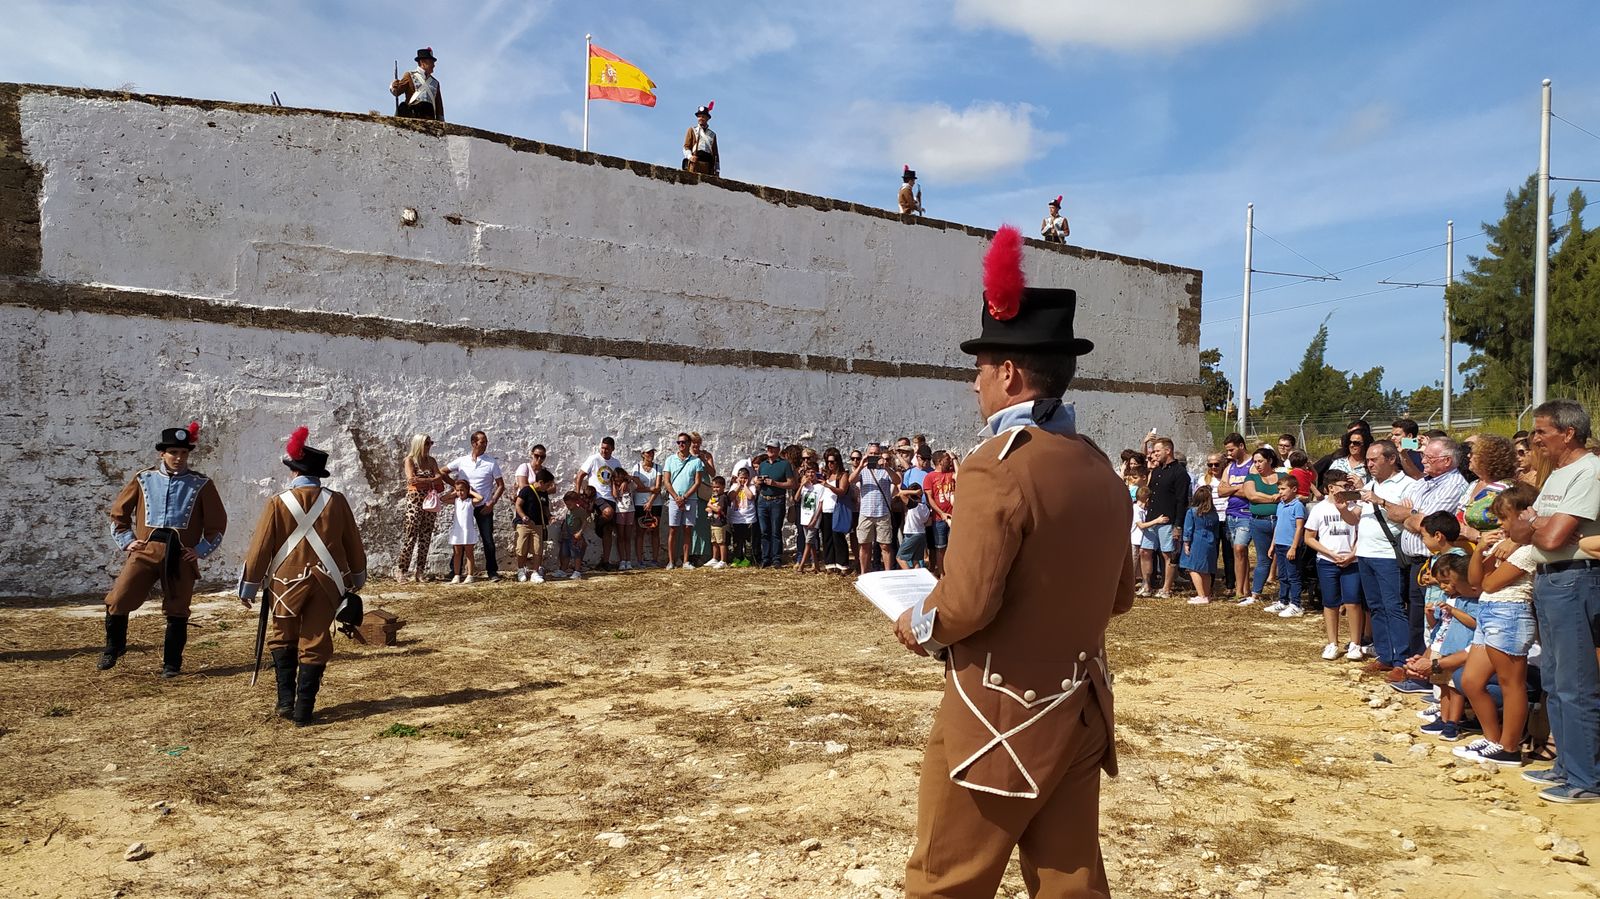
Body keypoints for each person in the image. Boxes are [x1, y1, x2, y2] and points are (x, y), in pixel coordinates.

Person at [895, 226, 1129, 898]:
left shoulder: (994, 469)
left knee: (947, 879)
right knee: (1070, 881)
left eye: (979, 369)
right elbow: (1120, 598)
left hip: (998, 712)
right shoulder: (1101, 470)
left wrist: (917, 622)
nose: (974, 386)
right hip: (1080, 706)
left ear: (1009, 373)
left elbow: (966, 604)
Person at [1504, 399, 1600, 803]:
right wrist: (1542, 525)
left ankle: (1585, 779)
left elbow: (1552, 537)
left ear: (1568, 433)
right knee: (1557, 682)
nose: (1535, 439)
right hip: (1549, 579)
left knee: (1576, 684)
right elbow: (1527, 533)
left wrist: (1540, 525)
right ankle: (1565, 768)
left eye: (1542, 431)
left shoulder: (1589, 472)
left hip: (1574, 581)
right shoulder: (1559, 475)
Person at [237, 427, 366, 726]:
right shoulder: (338, 502)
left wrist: (250, 586)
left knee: (283, 636)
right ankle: (303, 710)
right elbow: (353, 546)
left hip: (284, 584)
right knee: (316, 639)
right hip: (326, 582)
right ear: (319, 474)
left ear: (294, 471)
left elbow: (260, 548)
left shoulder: (277, 502)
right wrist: (356, 579)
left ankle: (285, 702)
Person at [99, 421, 228, 675]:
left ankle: (171, 664)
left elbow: (217, 525)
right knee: (118, 598)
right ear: (162, 454)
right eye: (173, 453)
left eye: (183, 453)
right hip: (146, 551)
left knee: (178, 609)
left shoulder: (201, 484)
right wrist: (128, 542)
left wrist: (199, 550)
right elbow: (119, 515)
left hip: (180, 555)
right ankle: (114, 647)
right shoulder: (143, 479)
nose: (178, 458)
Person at [1457, 483, 1542, 766]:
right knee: (1471, 680)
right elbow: (1474, 580)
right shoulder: (1506, 546)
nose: (1501, 525)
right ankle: (1493, 738)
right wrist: (1481, 548)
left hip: (1511, 613)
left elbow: (1490, 583)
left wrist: (1507, 547)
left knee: (1511, 683)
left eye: (1505, 518)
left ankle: (1509, 746)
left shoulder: (1528, 550)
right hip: (1490, 612)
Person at [1343, 440, 1418, 678]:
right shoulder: (1371, 483)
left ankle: (1401, 660)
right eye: (1367, 460)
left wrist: (1381, 501)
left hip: (1388, 555)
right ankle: (1385, 655)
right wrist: (1342, 507)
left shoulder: (1407, 484)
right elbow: (1355, 518)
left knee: (1394, 607)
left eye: (1374, 459)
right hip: (1366, 553)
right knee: (1375, 607)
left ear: (1391, 459)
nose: (1369, 464)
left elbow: (1410, 515)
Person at [1305, 471, 1364, 660]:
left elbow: (1362, 534)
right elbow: (1309, 538)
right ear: (1331, 488)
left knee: (1353, 602)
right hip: (1327, 562)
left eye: (1349, 486)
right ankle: (1332, 643)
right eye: (1343, 486)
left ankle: (1355, 643)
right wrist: (1329, 553)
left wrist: (1352, 554)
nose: (1347, 490)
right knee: (1330, 603)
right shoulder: (1319, 509)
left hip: (1352, 561)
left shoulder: (1355, 507)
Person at [442, 431, 504, 581]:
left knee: (487, 538)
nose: (485, 444)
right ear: (473, 443)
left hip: (483, 505)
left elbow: (500, 485)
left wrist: (492, 502)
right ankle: (455, 571)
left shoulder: (491, 462)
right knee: (461, 536)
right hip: (464, 505)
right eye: (482, 441)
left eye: (486, 441)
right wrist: (457, 487)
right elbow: (442, 471)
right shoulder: (462, 461)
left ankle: (492, 571)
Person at [1138, 437, 1187, 598]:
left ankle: (1166, 588)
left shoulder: (1179, 473)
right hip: (1152, 519)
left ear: (1168, 450)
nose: (1154, 454)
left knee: (1168, 554)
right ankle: (1147, 585)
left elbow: (1182, 501)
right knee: (1145, 552)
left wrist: (1178, 525)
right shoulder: (1157, 471)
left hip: (1168, 520)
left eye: (1157, 451)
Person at [398, 434, 444, 583]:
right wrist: (430, 481)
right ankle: (402, 570)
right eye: (426, 443)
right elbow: (412, 480)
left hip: (429, 500)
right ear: (419, 444)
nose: (429, 445)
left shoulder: (431, 461)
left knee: (426, 535)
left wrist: (425, 481)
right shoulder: (410, 460)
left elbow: (439, 477)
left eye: (430, 442)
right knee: (411, 534)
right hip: (415, 500)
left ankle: (420, 571)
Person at [576, 436, 625, 571]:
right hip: (597, 496)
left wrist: (624, 482)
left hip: (611, 497)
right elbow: (580, 475)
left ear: (613, 449)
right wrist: (578, 494)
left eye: (607, 449)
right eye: (602, 448)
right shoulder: (594, 459)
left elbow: (621, 476)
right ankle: (598, 526)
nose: (604, 451)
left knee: (608, 531)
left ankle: (605, 561)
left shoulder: (616, 462)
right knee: (608, 513)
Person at [1216, 433, 1256, 600]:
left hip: (1246, 513)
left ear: (1241, 446)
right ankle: (1245, 588)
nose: (1229, 454)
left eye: (1231, 450)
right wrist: (1238, 487)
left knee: (1240, 548)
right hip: (1231, 514)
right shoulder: (1229, 468)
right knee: (1239, 553)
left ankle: (1239, 590)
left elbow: (1250, 492)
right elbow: (1220, 491)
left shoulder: (1253, 465)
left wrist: (1231, 487)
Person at [1265, 478, 1307, 617]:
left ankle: (1296, 604)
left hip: (1291, 546)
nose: (1280, 492)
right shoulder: (1281, 505)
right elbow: (1278, 526)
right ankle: (1283, 601)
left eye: (1283, 489)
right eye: (1279, 489)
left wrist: (1294, 547)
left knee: (1293, 575)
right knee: (1282, 575)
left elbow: (1299, 527)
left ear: (1294, 489)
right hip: (1280, 545)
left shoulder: (1297, 506)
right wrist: (1273, 545)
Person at [852, 447, 897, 574]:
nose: (873, 456)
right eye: (871, 453)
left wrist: (887, 467)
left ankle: (888, 574)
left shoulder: (886, 470)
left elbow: (897, 481)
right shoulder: (863, 470)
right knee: (865, 545)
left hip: (882, 512)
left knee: (885, 545)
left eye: (876, 454)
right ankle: (864, 573)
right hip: (866, 512)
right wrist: (861, 465)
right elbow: (851, 480)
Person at [663, 432, 705, 570]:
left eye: (683, 442)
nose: (681, 445)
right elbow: (667, 481)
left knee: (688, 529)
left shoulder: (696, 461)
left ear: (689, 444)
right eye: (678, 442)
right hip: (674, 499)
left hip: (690, 499)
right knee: (673, 530)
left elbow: (697, 482)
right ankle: (671, 561)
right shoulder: (670, 460)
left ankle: (686, 560)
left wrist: (685, 497)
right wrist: (676, 497)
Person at [756, 439, 796, 568]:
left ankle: (776, 558)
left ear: (778, 450)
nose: (769, 450)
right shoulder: (763, 465)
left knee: (775, 531)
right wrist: (758, 483)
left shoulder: (784, 465)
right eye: (768, 448)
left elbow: (791, 483)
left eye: (772, 448)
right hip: (763, 499)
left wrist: (775, 484)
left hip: (777, 500)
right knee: (764, 531)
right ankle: (765, 558)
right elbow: (758, 481)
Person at [1180, 486, 1220, 604]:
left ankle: (1201, 595)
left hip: (1197, 540)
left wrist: (1186, 543)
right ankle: (1206, 594)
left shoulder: (1192, 512)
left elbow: (1188, 529)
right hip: (1211, 541)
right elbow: (1216, 530)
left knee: (1193, 568)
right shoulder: (1213, 513)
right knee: (1206, 570)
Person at [514, 468, 554, 582]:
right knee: (521, 548)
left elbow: (545, 507)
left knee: (538, 549)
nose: (548, 487)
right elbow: (518, 505)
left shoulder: (544, 493)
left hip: (538, 525)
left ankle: (535, 572)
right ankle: (521, 569)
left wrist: (549, 516)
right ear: (541, 482)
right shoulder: (526, 490)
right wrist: (523, 517)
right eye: (548, 485)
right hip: (524, 525)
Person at [924, 450, 956, 577]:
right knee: (940, 547)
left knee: (953, 546)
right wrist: (941, 513)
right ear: (939, 461)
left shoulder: (951, 473)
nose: (948, 461)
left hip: (954, 516)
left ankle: (951, 572)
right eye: (947, 459)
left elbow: (959, 475)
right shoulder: (930, 477)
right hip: (939, 518)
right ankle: (942, 573)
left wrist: (954, 459)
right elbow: (929, 498)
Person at [631, 447, 664, 567]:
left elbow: (658, 487)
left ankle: (655, 559)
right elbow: (637, 486)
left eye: (652, 452)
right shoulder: (637, 467)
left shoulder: (658, 468)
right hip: (640, 503)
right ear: (643, 454)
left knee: (655, 530)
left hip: (655, 502)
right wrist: (650, 489)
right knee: (640, 531)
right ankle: (640, 560)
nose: (651, 454)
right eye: (648, 452)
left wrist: (650, 502)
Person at [391, 47, 443, 121]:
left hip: (429, 118)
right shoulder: (409, 75)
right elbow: (397, 92)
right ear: (422, 62)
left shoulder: (435, 83)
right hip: (412, 116)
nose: (434, 65)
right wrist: (394, 85)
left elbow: (439, 107)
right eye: (431, 62)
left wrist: (441, 122)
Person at [446, 479, 483, 584]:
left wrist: (471, 492)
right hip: (457, 531)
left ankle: (470, 575)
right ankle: (457, 575)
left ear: (467, 490)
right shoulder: (456, 501)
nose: (460, 492)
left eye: (462, 490)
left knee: (469, 553)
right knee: (457, 553)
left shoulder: (470, 502)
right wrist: (453, 493)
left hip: (468, 530)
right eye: (458, 490)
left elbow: (480, 498)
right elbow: (443, 499)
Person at [554, 491, 590, 580]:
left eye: (570, 504)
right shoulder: (569, 510)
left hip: (575, 536)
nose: (568, 506)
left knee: (576, 554)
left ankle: (577, 571)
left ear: (576, 502)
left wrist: (580, 532)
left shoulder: (580, 511)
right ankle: (563, 570)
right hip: (567, 535)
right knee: (565, 553)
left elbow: (585, 522)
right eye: (566, 504)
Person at [797, 467, 825, 573]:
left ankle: (801, 566)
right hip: (805, 517)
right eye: (808, 472)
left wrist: (814, 519)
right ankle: (816, 565)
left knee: (808, 542)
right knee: (811, 543)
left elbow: (820, 505)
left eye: (813, 472)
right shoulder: (805, 487)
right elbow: (796, 498)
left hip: (814, 518)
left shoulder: (820, 487)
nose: (810, 474)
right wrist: (801, 485)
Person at [682, 102, 719, 176]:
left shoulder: (712, 135)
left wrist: (717, 170)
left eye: (703, 116)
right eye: (699, 116)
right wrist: (690, 157)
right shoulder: (692, 130)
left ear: (707, 118)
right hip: (696, 161)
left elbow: (715, 155)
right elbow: (686, 147)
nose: (701, 118)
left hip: (708, 164)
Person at [706, 475, 730, 569]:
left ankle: (723, 560)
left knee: (721, 542)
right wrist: (710, 507)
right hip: (713, 522)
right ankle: (714, 558)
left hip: (720, 523)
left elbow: (718, 509)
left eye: (718, 487)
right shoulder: (715, 497)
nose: (715, 489)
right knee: (714, 541)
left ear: (723, 486)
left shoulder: (723, 497)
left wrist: (709, 505)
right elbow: (708, 508)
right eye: (714, 487)